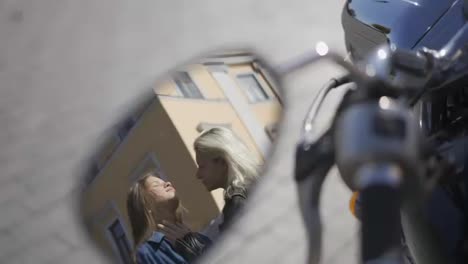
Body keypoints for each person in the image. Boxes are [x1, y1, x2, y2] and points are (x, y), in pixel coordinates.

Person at [126, 171, 211, 264]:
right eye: (156, 185)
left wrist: (194, 247)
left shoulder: (201, 239)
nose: (168, 183)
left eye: (164, 181)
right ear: (146, 205)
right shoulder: (147, 253)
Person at [193, 127, 261, 234]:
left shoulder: (238, 200)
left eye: (202, 166)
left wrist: (193, 246)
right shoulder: (259, 182)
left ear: (223, 163)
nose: (198, 175)